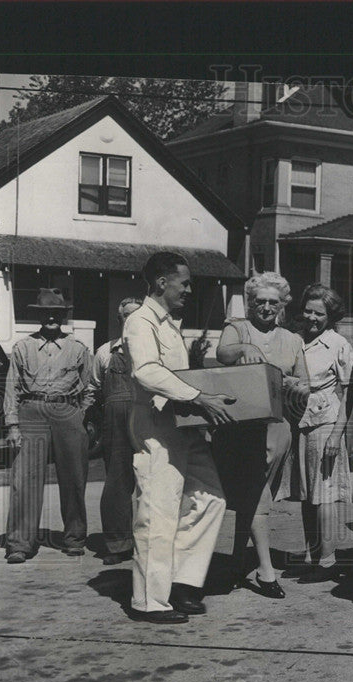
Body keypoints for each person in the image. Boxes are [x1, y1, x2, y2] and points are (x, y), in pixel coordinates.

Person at [122, 252, 236, 624]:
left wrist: (201, 403)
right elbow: (147, 371)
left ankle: (180, 581)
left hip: (183, 425)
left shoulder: (168, 324)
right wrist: (199, 397)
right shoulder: (140, 322)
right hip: (155, 426)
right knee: (157, 512)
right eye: (184, 283)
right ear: (161, 283)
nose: (189, 289)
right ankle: (150, 602)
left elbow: (179, 374)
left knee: (212, 497)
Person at [213, 272, 309, 599]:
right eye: (260, 301)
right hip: (242, 426)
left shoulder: (293, 340)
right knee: (255, 493)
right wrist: (244, 348)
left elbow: (304, 382)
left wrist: (295, 386)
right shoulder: (236, 329)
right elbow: (222, 355)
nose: (266, 307)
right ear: (251, 302)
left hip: (278, 426)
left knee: (257, 494)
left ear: (282, 305)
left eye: (273, 302)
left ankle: (237, 561)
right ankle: (265, 569)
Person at [2, 288, 94, 563]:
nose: (52, 317)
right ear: (38, 316)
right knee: (25, 480)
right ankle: (20, 542)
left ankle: (74, 537)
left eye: (57, 313)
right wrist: (13, 425)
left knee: (74, 477)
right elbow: (11, 389)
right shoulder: (22, 347)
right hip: (31, 411)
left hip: (68, 411)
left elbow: (89, 387)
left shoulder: (78, 348)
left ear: (64, 316)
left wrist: (82, 415)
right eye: (46, 313)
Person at [289, 284, 353, 584]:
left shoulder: (338, 343)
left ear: (331, 315)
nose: (312, 318)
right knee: (307, 493)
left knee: (325, 494)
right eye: (308, 311)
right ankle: (311, 554)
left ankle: (328, 560)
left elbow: (348, 393)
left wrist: (336, 434)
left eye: (320, 313)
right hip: (300, 421)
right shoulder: (296, 340)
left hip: (327, 421)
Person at [87, 297, 143, 566]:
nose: (131, 320)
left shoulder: (153, 349)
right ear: (119, 319)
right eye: (126, 316)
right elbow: (93, 389)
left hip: (148, 419)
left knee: (153, 481)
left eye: (137, 315)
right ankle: (117, 543)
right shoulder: (104, 352)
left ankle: (148, 542)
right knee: (117, 482)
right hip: (115, 423)